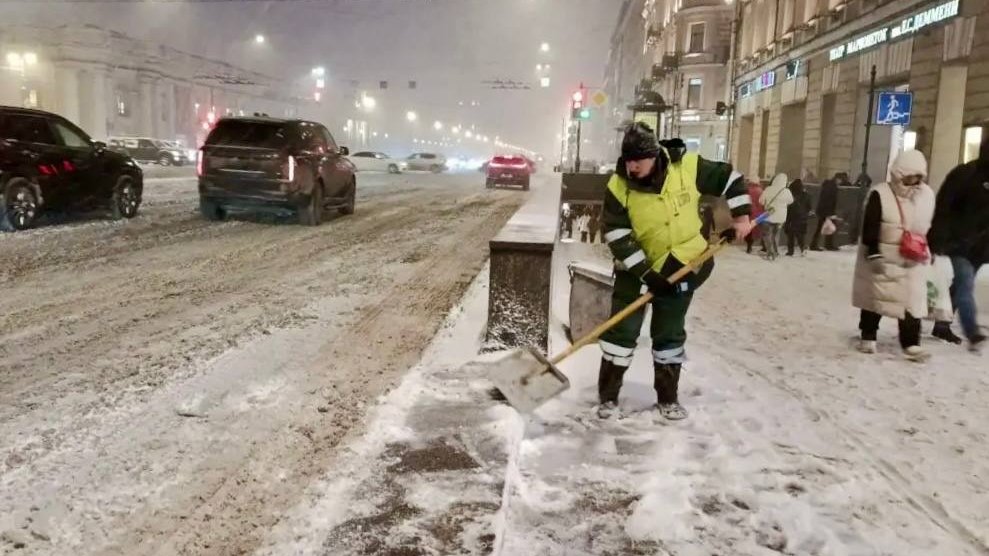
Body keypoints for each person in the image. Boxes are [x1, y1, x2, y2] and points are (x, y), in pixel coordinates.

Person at [598, 123, 752, 420]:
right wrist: (646, 272)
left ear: (654, 155)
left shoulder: (689, 167)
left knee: (669, 334)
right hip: (635, 272)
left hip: (683, 265)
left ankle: (667, 398)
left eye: (638, 160)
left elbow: (731, 179)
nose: (631, 167)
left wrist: (741, 217)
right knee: (620, 335)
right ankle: (607, 397)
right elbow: (617, 234)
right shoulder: (618, 186)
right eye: (627, 160)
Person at [852, 150, 935, 362]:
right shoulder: (880, 193)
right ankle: (868, 335)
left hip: (910, 258)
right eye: (910, 176)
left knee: (911, 302)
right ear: (899, 173)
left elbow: (928, 225)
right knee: (876, 298)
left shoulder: (924, 196)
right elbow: (870, 225)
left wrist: (929, 248)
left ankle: (911, 343)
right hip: (883, 255)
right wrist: (873, 253)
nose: (914, 181)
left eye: (918, 177)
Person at [927, 139, 989, 352]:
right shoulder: (965, 174)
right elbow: (944, 205)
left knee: (961, 284)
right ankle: (973, 332)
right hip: (959, 243)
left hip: (982, 246)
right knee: (965, 283)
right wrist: (936, 238)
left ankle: (942, 324)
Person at [759, 173, 793, 261]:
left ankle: (770, 251)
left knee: (767, 234)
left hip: (769, 215)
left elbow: (761, 201)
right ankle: (776, 251)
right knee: (776, 235)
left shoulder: (768, 189)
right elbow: (791, 201)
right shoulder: (786, 191)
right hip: (781, 217)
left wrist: (767, 203)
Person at [811, 174, 841, 251]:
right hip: (826, 211)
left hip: (823, 210)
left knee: (822, 228)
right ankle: (826, 245)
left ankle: (816, 245)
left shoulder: (828, 185)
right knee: (825, 228)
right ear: (837, 179)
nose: (840, 182)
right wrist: (830, 213)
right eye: (840, 180)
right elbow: (830, 201)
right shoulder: (832, 187)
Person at [784, 178, 813, 256]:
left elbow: (787, 206)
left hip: (791, 217)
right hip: (802, 218)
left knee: (791, 235)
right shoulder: (806, 195)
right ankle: (802, 249)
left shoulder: (790, 194)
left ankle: (790, 251)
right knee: (801, 236)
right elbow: (809, 207)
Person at [745, 180, 765, 255]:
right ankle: (764, 246)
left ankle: (749, 246)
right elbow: (762, 203)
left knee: (749, 229)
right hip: (759, 213)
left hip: (748, 212)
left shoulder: (746, 190)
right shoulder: (760, 190)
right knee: (761, 229)